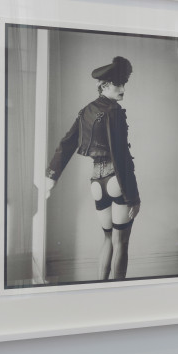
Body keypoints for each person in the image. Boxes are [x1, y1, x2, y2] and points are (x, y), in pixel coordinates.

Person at [44, 56, 141, 281]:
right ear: (105, 86)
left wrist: (52, 176)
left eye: (124, 84)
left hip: (96, 183)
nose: (123, 89)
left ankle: (100, 289)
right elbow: (121, 156)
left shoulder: (86, 110)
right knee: (121, 242)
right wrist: (134, 196)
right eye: (118, 85)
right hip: (117, 179)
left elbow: (67, 143)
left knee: (107, 240)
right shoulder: (114, 111)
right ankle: (117, 296)